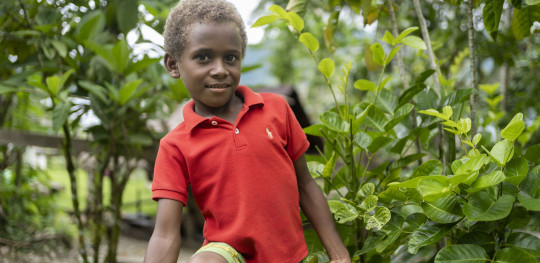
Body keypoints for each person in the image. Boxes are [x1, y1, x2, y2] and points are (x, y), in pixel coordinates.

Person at [143, 0, 351, 262]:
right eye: (203, 57)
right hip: (228, 253)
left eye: (230, 57)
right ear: (173, 65)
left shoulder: (276, 110)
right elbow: (165, 234)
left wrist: (339, 255)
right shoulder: (175, 145)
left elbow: (306, 185)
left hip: (288, 255)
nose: (220, 70)